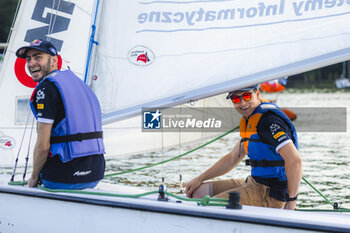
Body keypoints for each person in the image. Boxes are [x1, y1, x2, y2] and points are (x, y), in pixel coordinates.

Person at [185, 86, 302, 210]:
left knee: (210, 206)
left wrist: (291, 201)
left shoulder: (268, 122)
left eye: (246, 96)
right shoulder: (251, 120)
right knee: (197, 192)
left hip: (269, 194)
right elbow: (232, 158)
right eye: (236, 99)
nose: (242, 103)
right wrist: (198, 179)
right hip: (254, 183)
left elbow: (295, 161)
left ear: (257, 94)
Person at [16, 39, 105, 189]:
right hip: (95, 174)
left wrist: (33, 177)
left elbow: (43, 146)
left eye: (38, 57)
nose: (31, 64)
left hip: (63, 176)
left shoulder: (46, 88)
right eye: (28, 59)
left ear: (54, 60)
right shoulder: (79, 83)